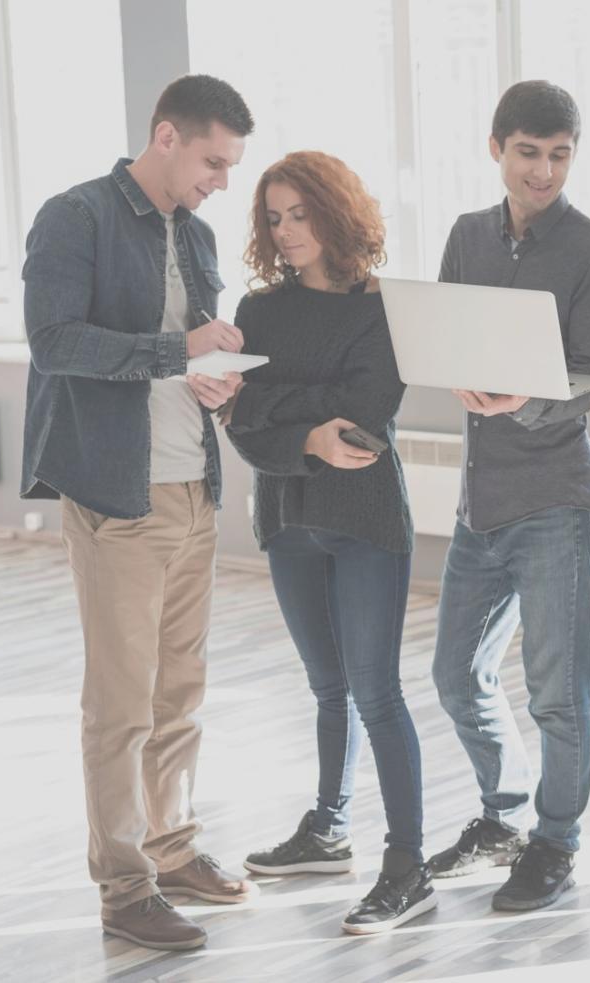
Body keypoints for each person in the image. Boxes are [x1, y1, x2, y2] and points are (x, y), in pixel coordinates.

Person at [20, 75, 257, 951]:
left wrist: (210, 370)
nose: (221, 182)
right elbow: (53, 341)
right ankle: (125, 885)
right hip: (117, 495)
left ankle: (173, 843)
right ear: (166, 136)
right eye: (212, 161)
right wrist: (176, 348)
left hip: (192, 484)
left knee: (179, 693)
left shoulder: (193, 234)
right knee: (121, 705)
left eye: (229, 166)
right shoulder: (74, 216)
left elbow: (184, 349)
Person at [427, 80, 590, 912]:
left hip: (554, 496)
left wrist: (524, 400)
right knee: (456, 674)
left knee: (557, 690)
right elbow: (448, 333)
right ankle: (504, 810)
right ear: (496, 148)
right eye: (528, 153)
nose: (543, 171)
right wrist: (461, 379)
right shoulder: (465, 237)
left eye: (558, 156)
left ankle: (555, 842)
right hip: (479, 500)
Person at [214, 151, 429, 934]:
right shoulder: (258, 309)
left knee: (375, 691)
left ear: (337, 214)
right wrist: (305, 427)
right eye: (274, 217)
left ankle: (407, 863)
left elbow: (367, 412)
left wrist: (277, 408)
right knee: (326, 688)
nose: (285, 230)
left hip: (365, 519)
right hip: (287, 520)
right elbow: (241, 423)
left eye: (299, 213)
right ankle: (327, 827)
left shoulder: (382, 308)